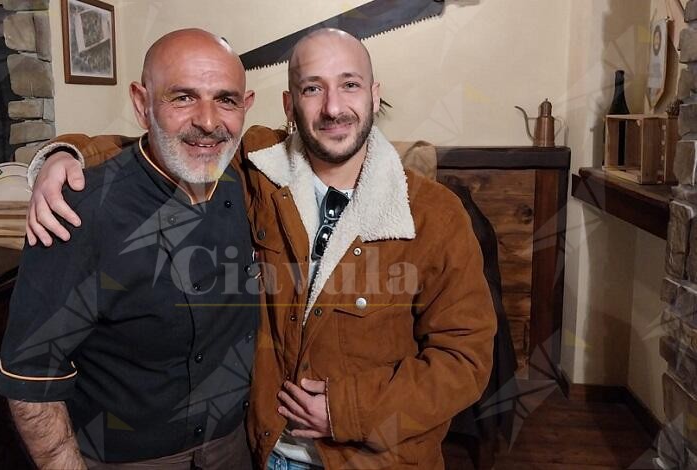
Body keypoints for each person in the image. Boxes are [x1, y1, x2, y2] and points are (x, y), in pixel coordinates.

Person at [25, 28, 496, 469]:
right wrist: (66, 157)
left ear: (374, 94)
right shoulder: (257, 169)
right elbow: (162, 140)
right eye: (313, 89)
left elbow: (466, 360)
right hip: (260, 452)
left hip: (378, 459)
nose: (333, 108)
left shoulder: (435, 215)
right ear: (289, 105)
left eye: (349, 85)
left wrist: (348, 410)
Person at [0, 29, 260, 469]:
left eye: (226, 100)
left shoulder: (252, 182)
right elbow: (31, 380)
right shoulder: (77, 212)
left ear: (245, 107)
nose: (209, 121)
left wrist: (64, 148)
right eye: (183, 98)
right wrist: (59, 155)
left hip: (234, 450)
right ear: (142, 104)